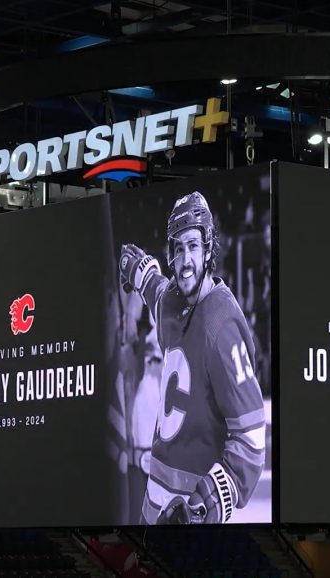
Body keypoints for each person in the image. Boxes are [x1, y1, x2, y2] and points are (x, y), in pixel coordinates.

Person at [118, 191, 266, 524]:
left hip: (189, 512)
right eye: (179, 247)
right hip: (153, 500)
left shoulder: (222, 324)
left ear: (209, 250)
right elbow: (154, 287)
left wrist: (207, 503)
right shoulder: (171, 298)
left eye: (194, 246)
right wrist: (136, 269)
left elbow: (252, 437)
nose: (186, 260)